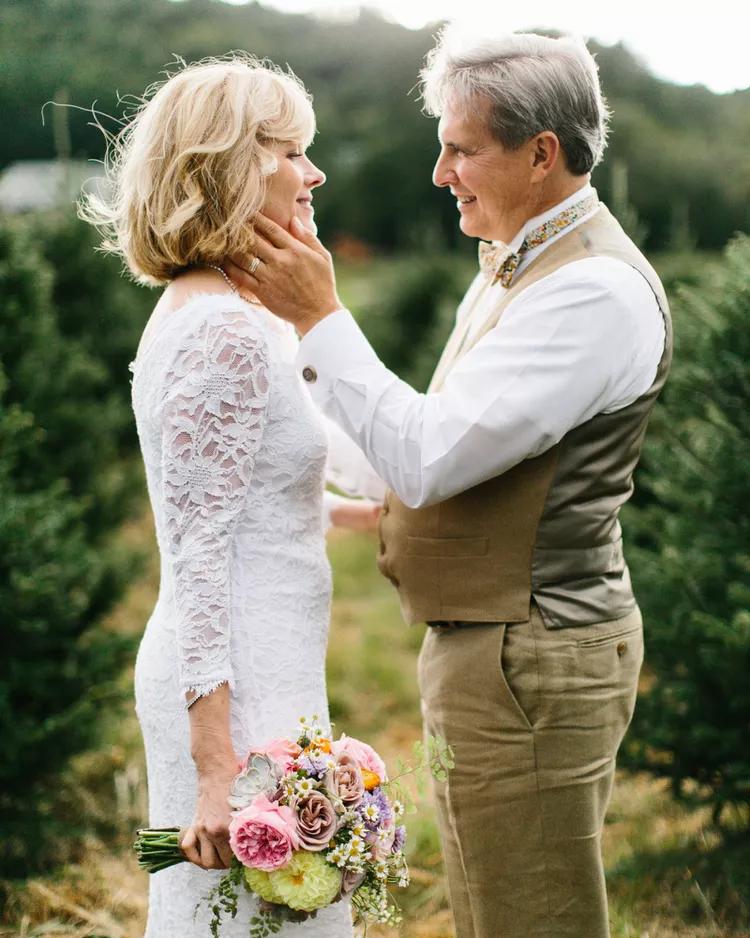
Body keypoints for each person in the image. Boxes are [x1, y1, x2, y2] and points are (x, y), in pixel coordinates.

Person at [226, 27, 672, 938]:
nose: (440, 173)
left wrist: (321, 316)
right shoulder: (514, 267)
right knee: (489, 908)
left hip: (533, 657)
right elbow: (411, 447)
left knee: (530, 916)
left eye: (461, 147)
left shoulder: (590, 293)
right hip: (493, 652)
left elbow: (424, 460)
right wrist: (263, 401)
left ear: (542, 153)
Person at [80, 55, 377, 937]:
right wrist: (217, 772)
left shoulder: (213, 309)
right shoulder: (229, 331)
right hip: (236, 685)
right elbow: (200, 548)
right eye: (290, 150)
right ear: (227, 167)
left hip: (260, 659)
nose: (313, 172)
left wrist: (360, 515)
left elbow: (235, 498)